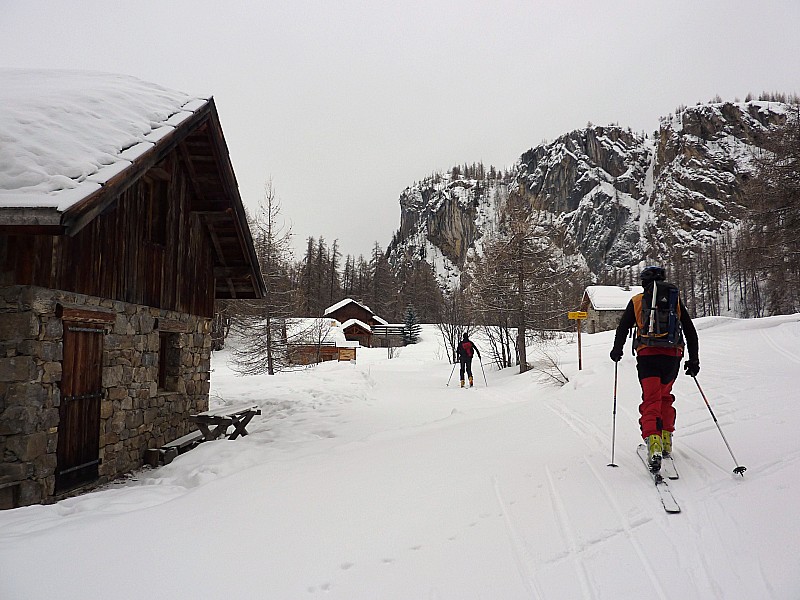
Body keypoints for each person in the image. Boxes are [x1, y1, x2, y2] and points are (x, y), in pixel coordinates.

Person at [609, 266, 699, 472]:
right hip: (673, 357)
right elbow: (690, 331)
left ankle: (654, 442)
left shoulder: (637, 301)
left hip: (648, 356)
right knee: (665, 396)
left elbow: (623, 328)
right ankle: (666, 438)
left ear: (643, 283)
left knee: (651, 399)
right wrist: (694, 360)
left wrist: (617, 350)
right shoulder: (674, 299)